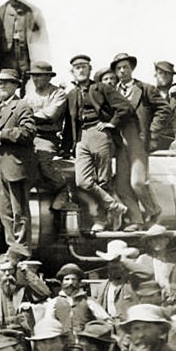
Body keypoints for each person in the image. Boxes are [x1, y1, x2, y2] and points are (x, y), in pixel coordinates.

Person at [65, 54, 130, 232]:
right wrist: (66, 147)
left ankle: (102, 220)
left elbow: (124, 107)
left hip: (99, 133)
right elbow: (68, 124)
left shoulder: (101, 88)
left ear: (89, 69)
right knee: (82, 181)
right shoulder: (71, 94)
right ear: (72, 72)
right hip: (81, 137)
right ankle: (114, 206)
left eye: (84, 67)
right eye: (77, 67)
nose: (80, 70)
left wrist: (111, 123)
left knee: (103, 180)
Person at [111, 52, 169, 226]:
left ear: (132, 69)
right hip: (121, 142)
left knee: (137, 182)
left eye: (125, 67)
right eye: (119, 68)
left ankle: (153, 210)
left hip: (138, 139)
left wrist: (153, 132)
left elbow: (164, 109)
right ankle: (136, 220)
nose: (122, 71)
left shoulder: (145, 89)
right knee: (122, 187)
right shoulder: (112, 92)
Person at [0, 69, 37, 258]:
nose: (2, 86)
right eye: (0, 83)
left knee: (18, 210)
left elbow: (28, 132)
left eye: (7, 83)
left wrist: (2, 135)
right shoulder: (0, 107)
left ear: (16, 86)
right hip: (0, 165)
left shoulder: (22, 106)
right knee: (5, 209)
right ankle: (13, 247)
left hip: (16, 165)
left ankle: (22, 248)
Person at [23, 61, 72, 200]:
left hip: (47, 137)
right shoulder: (29, 95)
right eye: (33, 76)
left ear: (49, 77)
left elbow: (50, 115)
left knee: (44, 162)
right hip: (29, 136)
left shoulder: (58, 94)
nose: (35, 79)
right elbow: (19, 111)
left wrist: (28, 117)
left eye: (39, 75)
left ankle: (62, 188)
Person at [0, 255, 48, 335]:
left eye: (10, 270)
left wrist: (26, 272)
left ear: (15, 271)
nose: (7, 274)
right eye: (3, 271)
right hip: (0, 337)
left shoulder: (25, 291)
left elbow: (45, 293)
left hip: (22, 336)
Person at [152, 61, 176, 150]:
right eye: (160, 73)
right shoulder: (150, 94)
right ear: (155, 75)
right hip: (154, 138)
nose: (163, 76)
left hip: (174, 138)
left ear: (172, 76)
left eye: (167, 73)